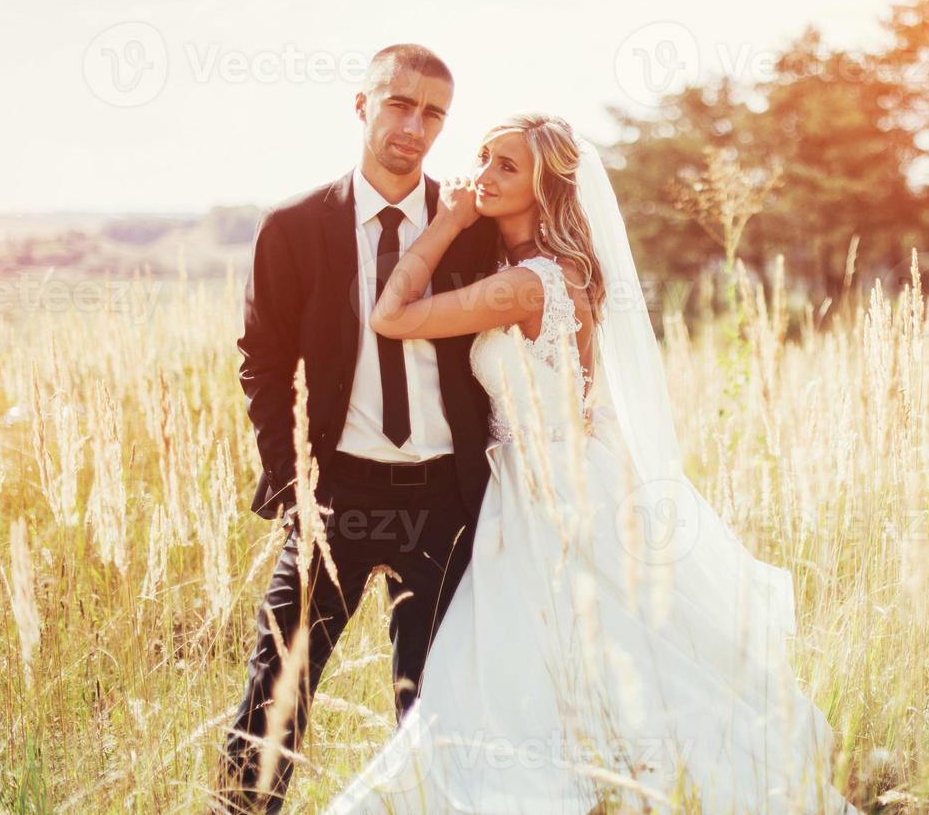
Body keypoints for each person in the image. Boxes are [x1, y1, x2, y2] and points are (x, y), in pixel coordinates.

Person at [323, 112, 859, 813]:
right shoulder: (565, 269)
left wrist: (449, 221)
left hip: (541, 490)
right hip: (575, 474)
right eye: (482, 157)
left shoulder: (526, 285)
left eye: (505, 167)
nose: (481, 175)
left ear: (546, 186)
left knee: (517, 668)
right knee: (605, 649)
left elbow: (393, 315)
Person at [215, 45, 500, 813]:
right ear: (362, 104)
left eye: (434, 112)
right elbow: (263, 363)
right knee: (275, 693)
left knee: (434, 707)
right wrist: (290, 485)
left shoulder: (470, 229)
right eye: (399, 104)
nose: (415, 125)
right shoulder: (295, 227)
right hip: (336, 495)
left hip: (446, 497)